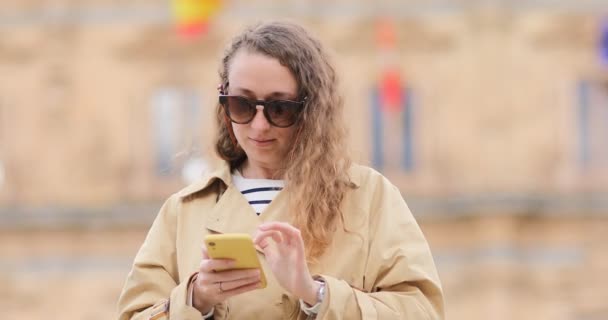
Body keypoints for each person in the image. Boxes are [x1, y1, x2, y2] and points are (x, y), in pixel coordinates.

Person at [117, 21, 444, 320]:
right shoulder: (183, 211)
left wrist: (315, 293)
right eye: (241, 105)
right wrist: (196, 299)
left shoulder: (369, 197)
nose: (259, 126)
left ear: (311, 110)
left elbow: (422, 311)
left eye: (279, 109)